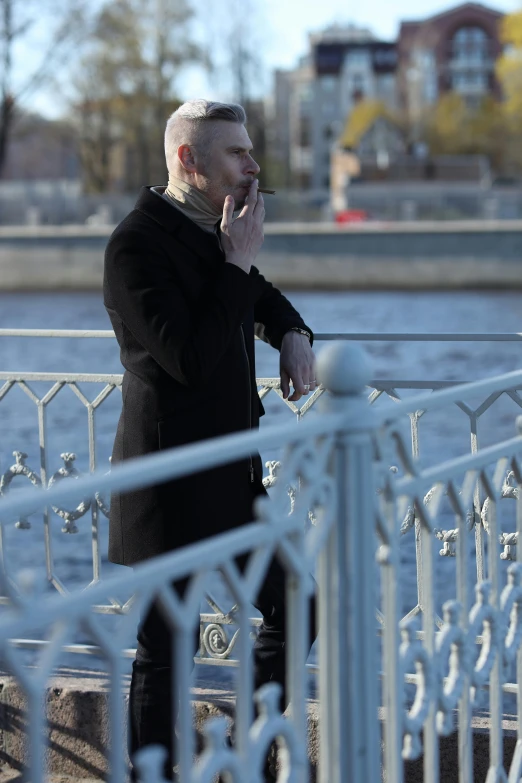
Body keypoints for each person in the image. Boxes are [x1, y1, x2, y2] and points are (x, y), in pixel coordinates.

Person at [103, 99, 317, 779]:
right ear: (188, 160)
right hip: (166, 482)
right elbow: (188, 359)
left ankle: (251, 748)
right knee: (166, 645)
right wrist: (235, 262)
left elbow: (260, 297)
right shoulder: (135, 244)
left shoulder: (212, 232)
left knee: (295, 602)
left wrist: (292, 332)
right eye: (238, 153)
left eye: (252, 151)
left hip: (231, 476)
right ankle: (152, 773)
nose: (254, 166)